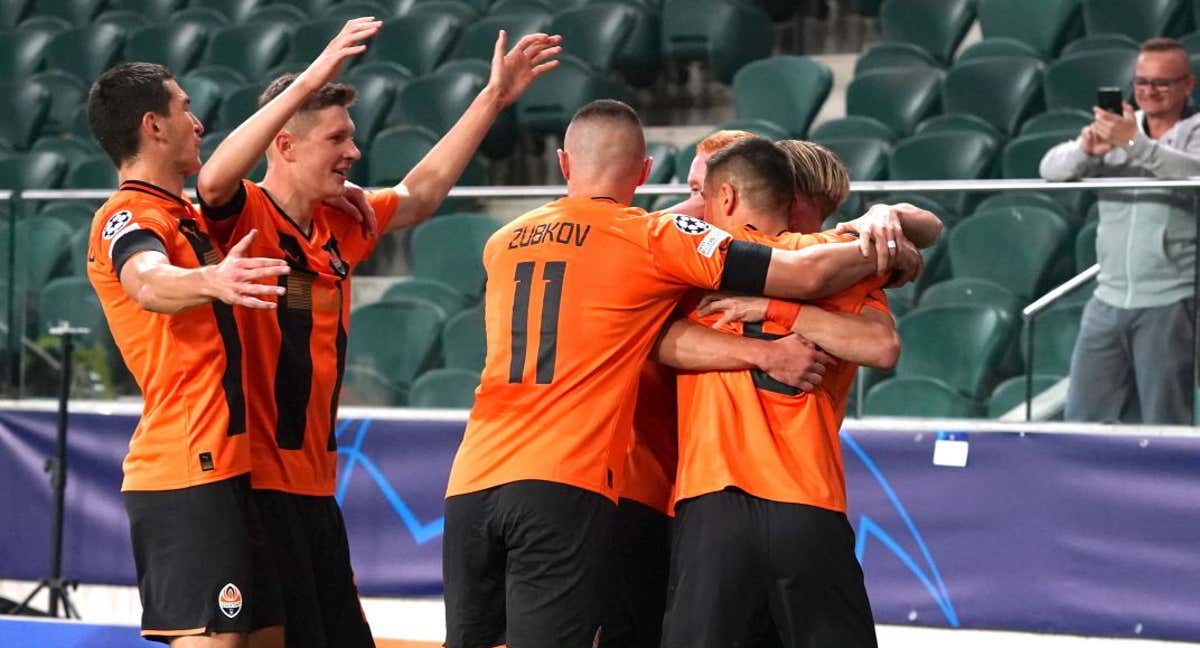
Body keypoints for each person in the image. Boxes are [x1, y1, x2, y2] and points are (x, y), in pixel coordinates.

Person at [441, 99, 914, 648]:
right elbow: (861, 318)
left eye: (701, 191)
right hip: (704, 497)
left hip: (511, 477)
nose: (689, 206)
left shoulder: (517, 242)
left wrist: (880, 230)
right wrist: (887, 235)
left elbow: (860, 327)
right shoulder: (673, 250)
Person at [194, 18, 563, 648]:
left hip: (314, 487)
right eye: (337, 137)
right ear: (283, 145)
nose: (353, 152)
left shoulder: (340, 224)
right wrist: (313, 75)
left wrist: (493, 97)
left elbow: (418, 195)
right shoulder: (246, 216)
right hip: (253, 487)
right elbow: (212, 182)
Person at [602, 136, 937, 648]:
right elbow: (884, 343)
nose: (700, 205)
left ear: (733, 197)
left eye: (705, 193)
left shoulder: (696, 262)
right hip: (807, 500)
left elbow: (650, 337)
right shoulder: (841, 259)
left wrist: (768, 313)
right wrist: (886, 233)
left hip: (711, 502)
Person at [85, 62, 291, 646]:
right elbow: (147, 280)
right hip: (185, 468)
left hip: (235, 465)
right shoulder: (126, 216)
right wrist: (212, 280)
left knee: (270, 637)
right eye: (186, 109)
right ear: (153, 126)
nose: (198, 124)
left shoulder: (186, 214)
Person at [1040, 36, 1198, 425]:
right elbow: (1050, 169)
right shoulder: (1117, 130)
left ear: (1187, 85)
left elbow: (1190, 173)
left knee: (1165, 423)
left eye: (1161, 83)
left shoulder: (1190, 131)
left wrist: (1133, 143)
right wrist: (1086, 150)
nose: (1149, 92)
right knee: (1083, 418)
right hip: (1107, 298)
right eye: (1142, 82)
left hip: (1170, 300)